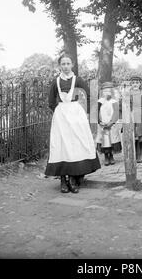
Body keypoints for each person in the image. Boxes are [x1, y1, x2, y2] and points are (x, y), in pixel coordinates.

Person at [45, 54, 101, 193]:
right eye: (63, 64)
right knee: (62, 144)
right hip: (61, 116)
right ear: (60, 66)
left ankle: (73, 178)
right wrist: (59, 112)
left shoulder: (78, 80)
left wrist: (84, 111)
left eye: (68, 63)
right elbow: (51, 102)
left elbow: (88, 95)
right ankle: (63, 180)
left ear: (72, 65)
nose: (65, 66)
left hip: (76, 114)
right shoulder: (56, 82)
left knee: (76, 143)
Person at [95, 82, 122, 166]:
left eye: (109, 91)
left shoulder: (114, 102)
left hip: (112, 125)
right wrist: (100, 122)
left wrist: (112, 122)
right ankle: (106, 156)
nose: (107, 93)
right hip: (102, 125)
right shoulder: (99, 102)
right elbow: (96, 112)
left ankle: (111, 155)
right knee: (105, 141)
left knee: (112, 140)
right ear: (102, 92)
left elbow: (116, 113)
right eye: (105, 91)